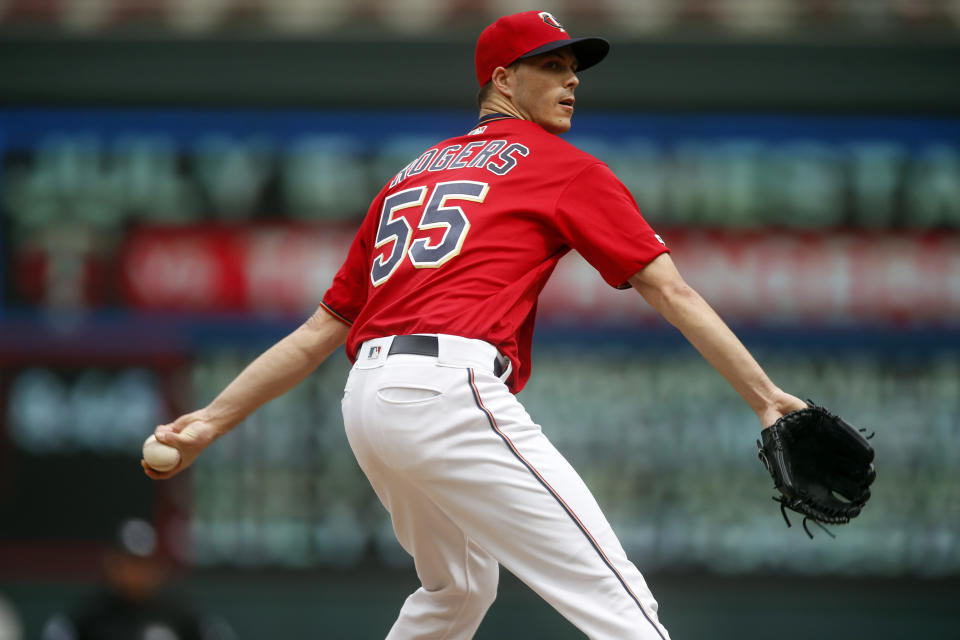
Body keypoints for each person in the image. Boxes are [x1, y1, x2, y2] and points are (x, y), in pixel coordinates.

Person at [143, 10, 807, 639]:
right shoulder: (563, 167)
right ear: (503, 79)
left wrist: (212, 419)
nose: (571, 79)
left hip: (369, 404)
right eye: (549, 65)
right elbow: (672, 291)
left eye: (574, 66)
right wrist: (766, 397)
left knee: (455, 591)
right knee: (617, 597)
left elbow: (323, 329)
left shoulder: (408, 177)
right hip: (448, 392)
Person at [41, 518, 234, 640]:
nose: (136, 572)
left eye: (143, 564)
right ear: (113, 564)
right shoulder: (92, 614)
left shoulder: (176, 612)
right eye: (130, 563)